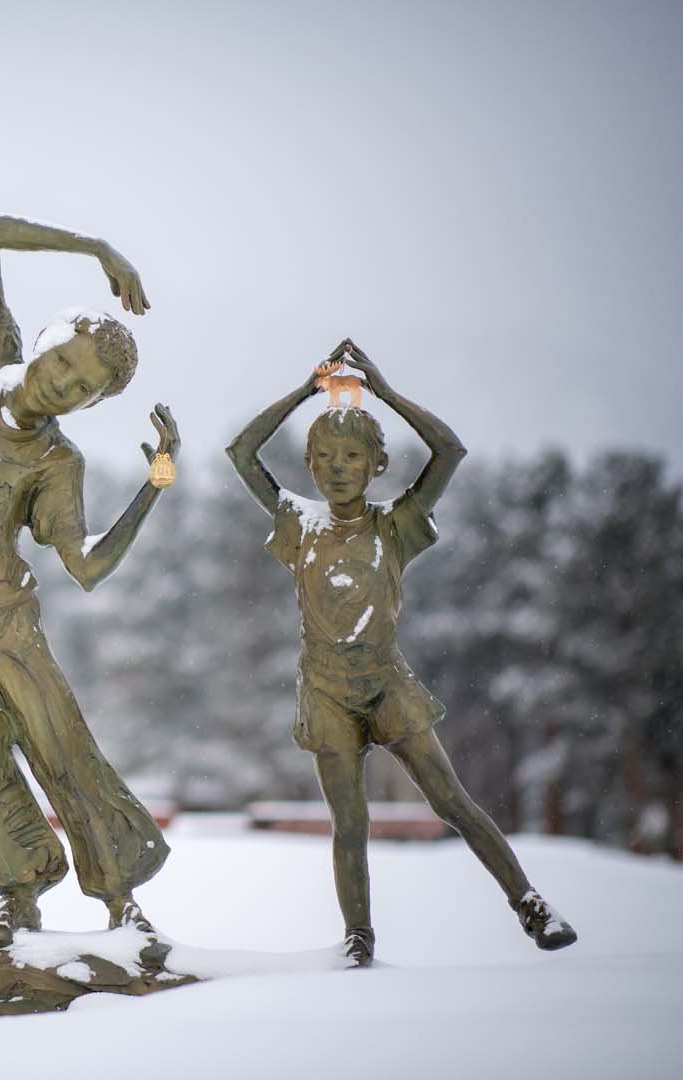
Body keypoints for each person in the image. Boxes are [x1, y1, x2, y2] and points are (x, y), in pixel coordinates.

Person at [226, 340, 578, 966]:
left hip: (387, 685)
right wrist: (307, 390)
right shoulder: (299, 524)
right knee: (350, 822)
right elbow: (242, 452)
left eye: (353, 456)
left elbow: (449, 452)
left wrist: (383, 393)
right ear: (309, 464)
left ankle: (529, 903)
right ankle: (359, 938)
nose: (338, 468)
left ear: (375, 466)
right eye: (325, 456)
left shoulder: (394, 525)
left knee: (451, 801)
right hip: (326, 690)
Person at [0, 213, 178, 946]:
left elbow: (85, 565)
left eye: (82, 389)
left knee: (61, 745)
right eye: (61, 364)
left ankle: (120, 897)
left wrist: (154, 486)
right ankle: (18, 891)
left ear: (92, 404)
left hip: (4, 618)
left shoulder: (56, 463)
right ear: (39, 342)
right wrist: (97, 248)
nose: (62, 385)